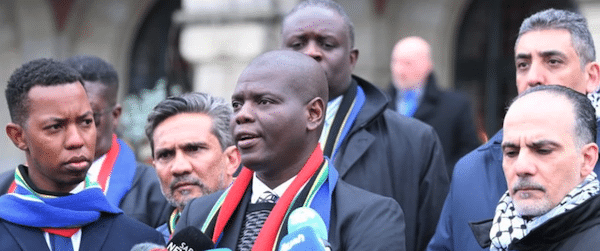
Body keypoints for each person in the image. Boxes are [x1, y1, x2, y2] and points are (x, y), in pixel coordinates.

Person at [175, 50, 406, 251]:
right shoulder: (199, 214)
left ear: (313, 114)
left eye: (264, 101)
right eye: (237, 104)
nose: (242, 114)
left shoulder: (369, 216)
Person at [427, 9, 600, 251]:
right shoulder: (472, 172)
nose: (534, 77)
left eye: (553, 61)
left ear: (592, 76)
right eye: (523, 64)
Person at [280, 1, 448, 251]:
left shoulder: (416, 141)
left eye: (326, 44)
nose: (312, 52)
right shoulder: (252, 138)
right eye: (297, 44)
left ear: (352, 58)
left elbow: (435, 240)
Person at [0, 58, 164, 250]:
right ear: (18, 136)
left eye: (86, 122)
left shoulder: (142, 241)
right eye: (55, 127)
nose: (76, 140)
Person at [470, 85, 600, 250]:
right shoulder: (497, 236)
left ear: (587, 159)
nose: (522, 167)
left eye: (543, 151)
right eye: (511, 152)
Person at [145, 92, 240, 241]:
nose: (179, 167)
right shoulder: (150, 242)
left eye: (194, 149)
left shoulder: (268, 227)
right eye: (165, 155)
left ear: (231, 159)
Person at [386, 36, 480, 171]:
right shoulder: (377, 104)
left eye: (407, 63)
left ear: (427, 65)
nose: (398, 70)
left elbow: (468, 153)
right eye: (395, 62)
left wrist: (439, 179)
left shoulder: (455, 105)